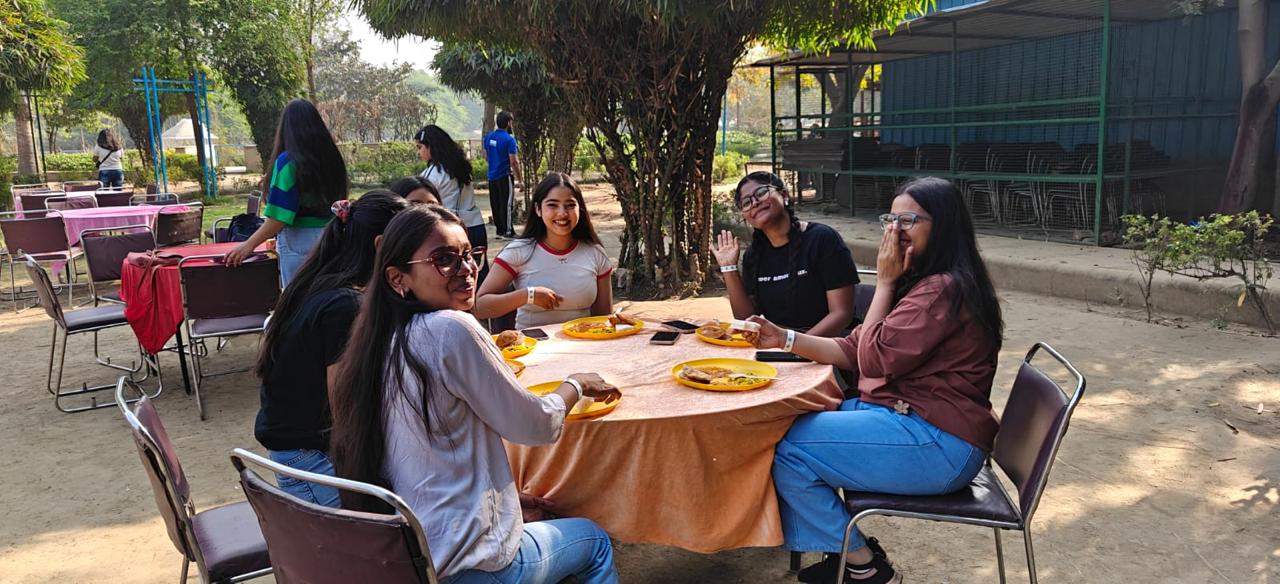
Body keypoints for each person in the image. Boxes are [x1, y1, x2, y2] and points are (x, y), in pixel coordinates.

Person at [328, 204, 621, 583]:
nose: (466, 269)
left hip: (416, 553)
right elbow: (534, 426)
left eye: (469, 255)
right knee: (595, 541)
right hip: (471, 562)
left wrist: (507, 500)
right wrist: (575, 385)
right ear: (398, 278)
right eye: (443, 259)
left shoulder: (377, 339)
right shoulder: (450, 329)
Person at [748, 177, 1004, 584]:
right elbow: (852, 347)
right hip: (916, 422)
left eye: (908, 220)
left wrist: (883, 283)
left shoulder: (942, 290)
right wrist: (786, 338)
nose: (894, 232)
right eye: (891, 219)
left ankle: (863, 566)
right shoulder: (926, 281)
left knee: (787, 450)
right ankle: (848, 553)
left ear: (944, 226)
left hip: (939, 443)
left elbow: (870, 358)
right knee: (787, 424)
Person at [253, 191, 410, 507]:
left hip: (301, 453)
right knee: (420, 523)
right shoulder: (344, 306)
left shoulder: (320, 284)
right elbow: (347, 411)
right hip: (312, 463)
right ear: (381, 246)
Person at [712, 171, 858, 337]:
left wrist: (794, 348)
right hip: (780, 347)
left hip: (829, 345)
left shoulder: (822, 239)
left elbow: (841, 314)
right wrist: (728, 268)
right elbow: (746, 319)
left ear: (785, 195)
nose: (754, 203)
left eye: (761, 193)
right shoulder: (754, 255)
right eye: (746, 202)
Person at [226, 99, 348, 286]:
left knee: (299, 304)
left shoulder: (288, 162)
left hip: (299, 242)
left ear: (286, 128)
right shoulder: (333, 158)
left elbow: (279, 218)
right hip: (334, 238)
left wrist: (248, 245)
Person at [473, 172, 612, 329]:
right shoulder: (518, 252)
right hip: (532, 348)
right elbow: (479, 307)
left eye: (570, 205)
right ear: (538, 209)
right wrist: (528, 295)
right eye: (552, 205)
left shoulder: (596, 254)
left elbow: (604, 318)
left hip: (584, 347)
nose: (562, 213)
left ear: (580, 209)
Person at [414, 125, 489, 281]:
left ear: (431, 147)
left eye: (420, 147)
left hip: (451, 232)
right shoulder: (461, 166)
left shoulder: (432, 174)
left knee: (457, 280)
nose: (418, 152)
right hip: (475, 226)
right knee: (479, 277)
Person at [484, 111, 523, 239]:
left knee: (495, 203)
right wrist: (520, 179)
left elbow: (486, 156)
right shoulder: (509, 139)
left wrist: (494, 164)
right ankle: (508, 232)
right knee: (506, 204)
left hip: (492, 176)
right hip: (504, 176)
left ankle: (499, 231)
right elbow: (514, 161)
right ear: (508, 123)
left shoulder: (489, 137)